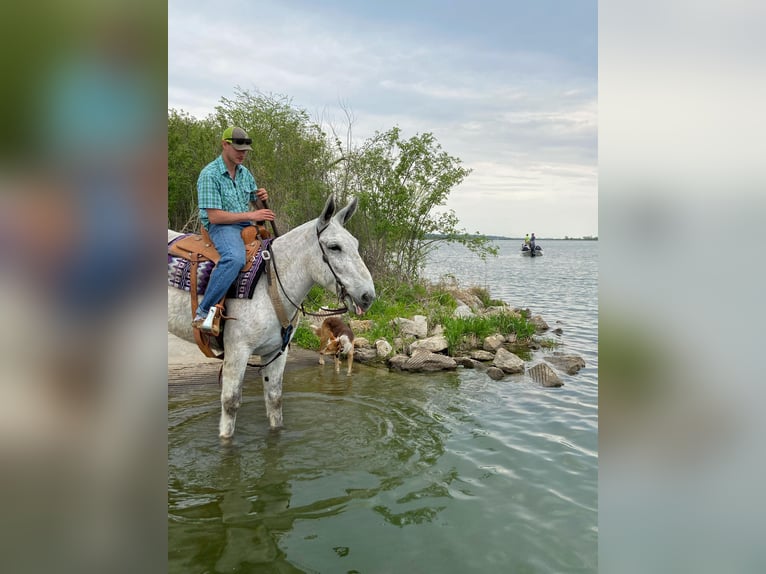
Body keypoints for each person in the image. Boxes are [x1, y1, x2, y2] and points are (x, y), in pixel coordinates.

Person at [192, 126, 275, 330]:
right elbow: (214, 216)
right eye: (238, 149)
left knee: (275, 252)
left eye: (245, 150)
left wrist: (263, 199)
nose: (242, 154)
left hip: (246, 225)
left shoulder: (245, 173)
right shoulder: (209, 174)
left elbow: (257, 204)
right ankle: (203, 312)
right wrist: (252, 215)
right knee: (235, 258)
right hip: (221, 227)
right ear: (224, 144)